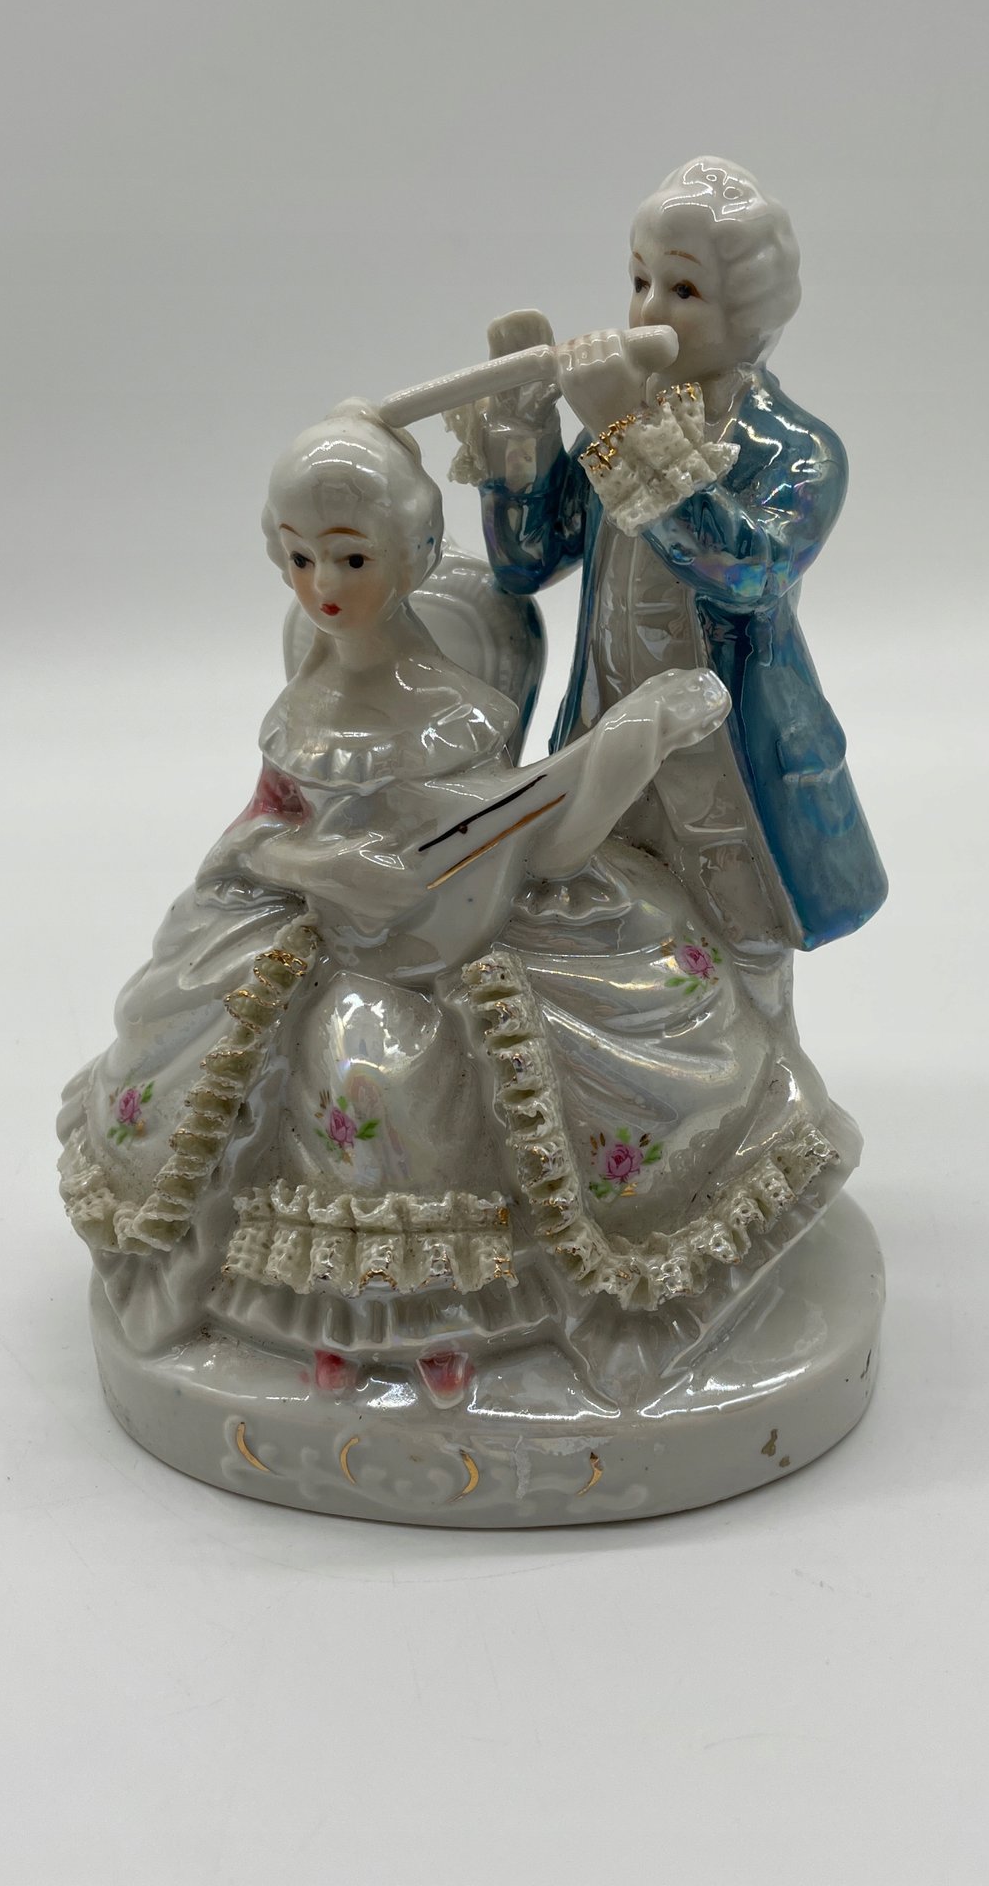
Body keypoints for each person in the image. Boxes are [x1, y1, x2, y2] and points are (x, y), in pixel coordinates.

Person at [57, 408, 860, 1393]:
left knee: (422, 1075)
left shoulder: (455, 710)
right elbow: (252, 834)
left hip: (457, 939)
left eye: (351, 558)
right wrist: (322, 867)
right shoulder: (302, 706)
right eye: (300, 558)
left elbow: (537, 840)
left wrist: (626, 747)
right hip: (329, 933)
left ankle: (447, 1320)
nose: (322, 584)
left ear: (413, 555)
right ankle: (330, 1318)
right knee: (312, 1055)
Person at [449, 156, 887, 961]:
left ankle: (755, 1040)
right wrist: (523, 428)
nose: (649, 308)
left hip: (728, 764)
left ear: (750, 310)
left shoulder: (800, 451)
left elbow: (746, 574)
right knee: (593, 931)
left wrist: (626, 430)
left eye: (682, 289)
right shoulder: (624, 424)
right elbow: (529, 561)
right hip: (605, 744)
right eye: (640, 280)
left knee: (743, 943)